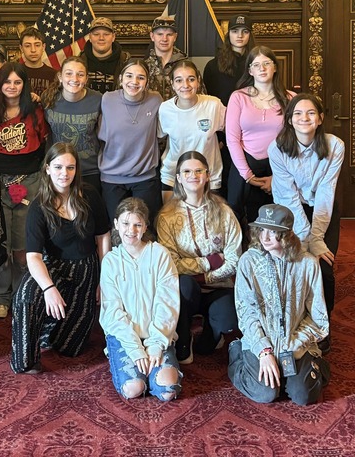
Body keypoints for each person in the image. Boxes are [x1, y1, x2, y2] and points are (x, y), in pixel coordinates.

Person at [10, 143, 111, 374]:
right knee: (25, 296)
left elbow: (103, 237)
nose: (63, 173)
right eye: (57, 167)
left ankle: (48, 329)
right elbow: (33, 256)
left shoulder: (90, 195)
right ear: (47, 169)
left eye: (70, 167)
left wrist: (104, 279)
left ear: (76, 170)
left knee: (70, 347)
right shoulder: (38, 207)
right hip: (52, 267)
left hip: (85, 271)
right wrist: (48, 289)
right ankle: (25, 359)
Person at [229, 203, 330, 406]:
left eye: (273, 232)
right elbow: (245, 312)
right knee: (265, 393)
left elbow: (319, 318)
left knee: (303, 396)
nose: (265, 237)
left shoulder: (308, 263)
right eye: (262, 230)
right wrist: (263, 350)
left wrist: (293, 344)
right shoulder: (248, 261)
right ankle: (237, 352)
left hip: (296, 343)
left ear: (287, 234)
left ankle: (314, 365)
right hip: (260, 340)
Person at [156, 151, 242, 364]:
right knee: (183, 286)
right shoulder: (167, 216)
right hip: (188, 288)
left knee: (228, 319)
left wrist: (205, 278)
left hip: (219, 286)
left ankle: (212, 332)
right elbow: (171, 263)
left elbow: (234, 259)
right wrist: (209, 262)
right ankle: (183, 336)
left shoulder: (224, 212)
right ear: (178, 178)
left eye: (198, 171)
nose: (192, 176)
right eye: (186, 171)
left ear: (207, 175)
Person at [269, 93, 345, 324]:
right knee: (295, 262)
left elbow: (326, 191)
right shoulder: (277, 148)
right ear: (290, 119)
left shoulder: (335, 146)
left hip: (323, 209)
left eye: (311, 113)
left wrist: (317, 238)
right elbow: (288, 197)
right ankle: (295, 321)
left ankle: (323, 323)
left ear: (320, 118)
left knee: (324, 268)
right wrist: (304, 238)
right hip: (290, 212)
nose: (305, 118)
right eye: (298, 113)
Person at [0, 62, 50, 319]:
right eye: (7, 82)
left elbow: (45, 143)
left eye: (17, 82)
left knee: (24, 240)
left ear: (25, 85)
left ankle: (25, 291)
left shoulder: (35, 110)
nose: (12, 87)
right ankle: (1, 295)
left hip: (30, 181)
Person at [100, 197, 182, 401]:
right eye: (126, 224)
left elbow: (167, 304)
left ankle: (154, 371)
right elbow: (112, 311)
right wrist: (136, 350)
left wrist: (155, 345)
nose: (131, 230)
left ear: (145, 226)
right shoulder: (111, 260)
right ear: (116, 224)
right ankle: (132, 369)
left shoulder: (160, 254)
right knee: (134, 388)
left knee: (167, 390)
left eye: (137, 224)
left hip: (157, 334)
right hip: (125, 337)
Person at [224, 46, 289, 225]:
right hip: (244, 165)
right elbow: (232, 139)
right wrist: (248, 176)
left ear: (275, 67)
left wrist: (277, 178)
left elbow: (294, 142)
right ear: (250, 70)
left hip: (279, 167)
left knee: (278, 218)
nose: (262, 68)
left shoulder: (290, 99)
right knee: (237, 216)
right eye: (256, 64)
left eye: (267, 63)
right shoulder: (238, 97)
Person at [98, 58, 163, 223]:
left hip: (144, 177)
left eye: (140, 77)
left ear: (147, 81)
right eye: (129, 76)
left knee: (145, 229)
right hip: (112, 177)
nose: (134, 82)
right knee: (117, 228)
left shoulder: (156, 100)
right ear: (120, 79)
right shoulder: (107, 99)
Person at [158, 59, 227, 202]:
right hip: (173, 177)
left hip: (209, 178)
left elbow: (235, 132)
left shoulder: (213, 104)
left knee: (208, 223)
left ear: (198, 81)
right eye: (179, 80)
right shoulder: (165, 109)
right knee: (172, 222)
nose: (185, 85)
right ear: (172, 84)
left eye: (191, 79)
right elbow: (157, 139)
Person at [43, 56, 103, 196]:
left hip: (89, 170)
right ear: (60, 76)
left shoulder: (98, 100)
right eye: (69, 73)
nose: (74, 79)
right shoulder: (48, 98)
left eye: (80, 74)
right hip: (58, 171)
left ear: (86, 79)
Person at [203, 14, 253, 107]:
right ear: (228, 34)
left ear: (250, 35)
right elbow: (207, 97)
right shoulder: (213, 65)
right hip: (222, 115)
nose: (240, 35)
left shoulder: (256, 63)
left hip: (250, 115)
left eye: (245, 31)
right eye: (235, 31)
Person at [82, 16, 130, 94]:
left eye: (106, 34)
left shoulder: (126, 62)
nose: (101, 38)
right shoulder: (80, 61)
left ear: (113, 37)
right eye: (96, 34)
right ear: (90, 37)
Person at [144, 15, 186, 101]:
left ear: (175, 37)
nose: (164, 39)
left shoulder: (186, 66)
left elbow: (199, 99)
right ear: (152, 36)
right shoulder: (143, 67)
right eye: (160, 34)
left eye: (169, 35)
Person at [18, 27, 57, 98]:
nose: (33, 50)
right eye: (27, 46)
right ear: (21, 48)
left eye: (37, 45)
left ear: (43, 47)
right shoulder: (16, 73)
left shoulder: (54, 75)